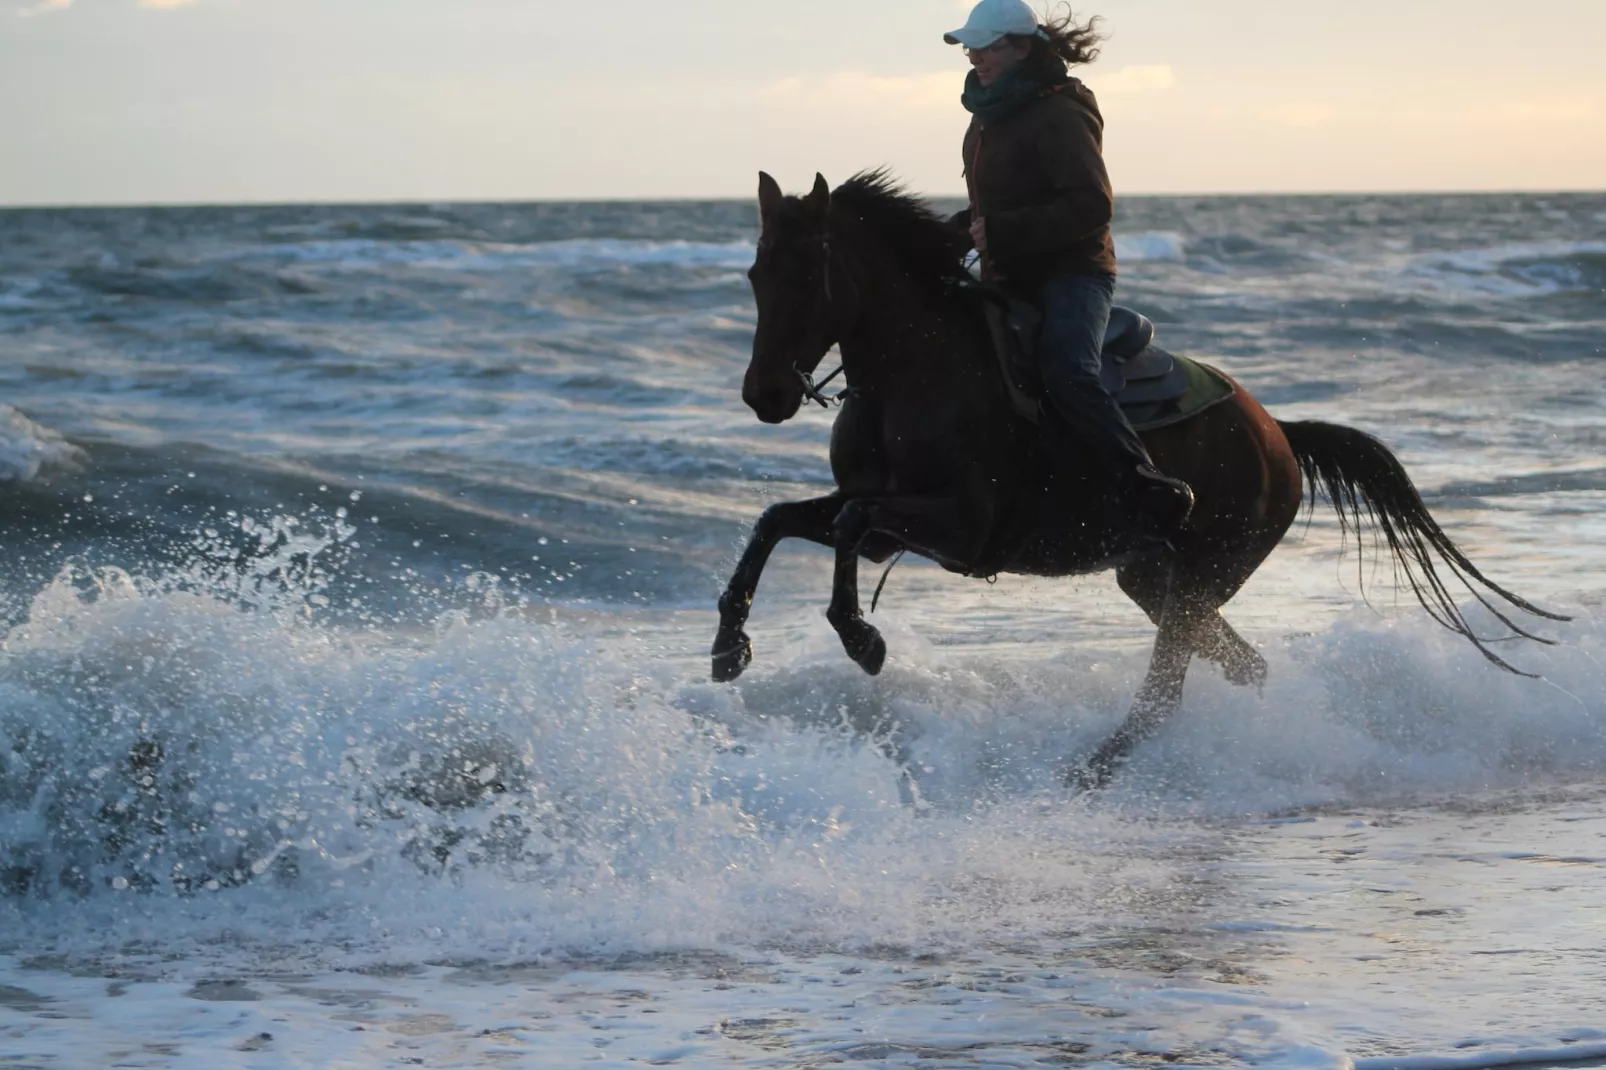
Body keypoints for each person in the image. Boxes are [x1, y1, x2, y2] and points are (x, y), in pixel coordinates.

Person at [946, 0, 1194, 545]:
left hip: (1074, 272)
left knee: (1067, 369)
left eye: (987, 47)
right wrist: (949, 234)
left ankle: (1144, 483)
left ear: (1022, 47)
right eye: (971, 47)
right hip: (1007, 272)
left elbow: (1090, 206)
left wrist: (1004, 232)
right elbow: (992, 208)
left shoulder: (1062, 110)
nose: (975, 56)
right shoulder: (985, 115)